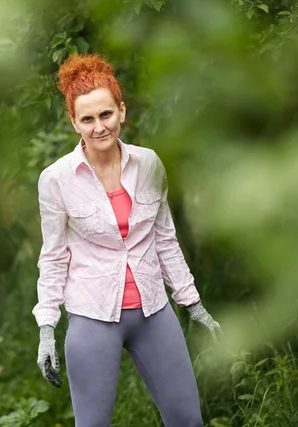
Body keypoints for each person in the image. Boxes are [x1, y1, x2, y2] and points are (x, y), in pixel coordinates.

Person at [32, 53, 222, 427]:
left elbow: (165, 239)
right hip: (93, 317)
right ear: (74, 123)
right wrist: (46, 328)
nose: (98, 127)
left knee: (188, 420)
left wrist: (193, 304)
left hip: (154, 311)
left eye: (105, 115)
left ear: (121, 111)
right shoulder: (56, 180)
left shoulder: (149, 164)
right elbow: (53, 257)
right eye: (87, 119)